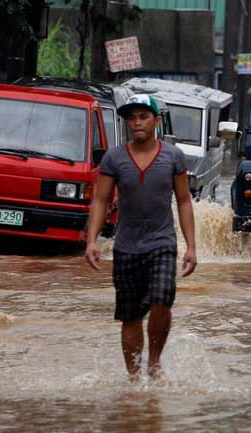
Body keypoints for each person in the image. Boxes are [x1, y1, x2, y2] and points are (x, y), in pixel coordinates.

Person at [84, 94, 197, 380]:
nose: (137, 122)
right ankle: (134, 377)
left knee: (162, 300)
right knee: (130, 315)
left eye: (143, 116)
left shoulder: (174, 157)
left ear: (156, 121)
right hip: (126, 247)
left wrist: (191, 247)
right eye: (131, 117)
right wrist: (91, 241)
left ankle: (154, 363)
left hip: (162, 243)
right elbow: (100, 199)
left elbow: (184, 201)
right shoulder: (114, 158)